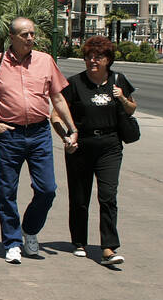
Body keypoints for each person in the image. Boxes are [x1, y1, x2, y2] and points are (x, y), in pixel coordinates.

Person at [0, 17, 77, 264]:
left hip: (39, 134)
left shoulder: (45, 61)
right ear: (11, 37)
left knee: (47, 190)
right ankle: (12, 242)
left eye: (32, 34)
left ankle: (30, 230)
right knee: (6, 191)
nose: (30, 38)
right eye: (25, 34)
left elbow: (57, 98)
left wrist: (71, 128)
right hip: (9, 135)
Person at [54, 36, 135, 266]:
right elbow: (56, 115)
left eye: (98, 57)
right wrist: (66, 136)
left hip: (110, 145)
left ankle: (108, 247)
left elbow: (131, 108)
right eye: (88, 57)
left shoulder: (118, 80)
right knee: (80, 198)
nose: (92, 61)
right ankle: (79, 241)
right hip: (82, 146)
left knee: (108, 196)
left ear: (108, 60)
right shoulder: (74, 83)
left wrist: (122, 99)